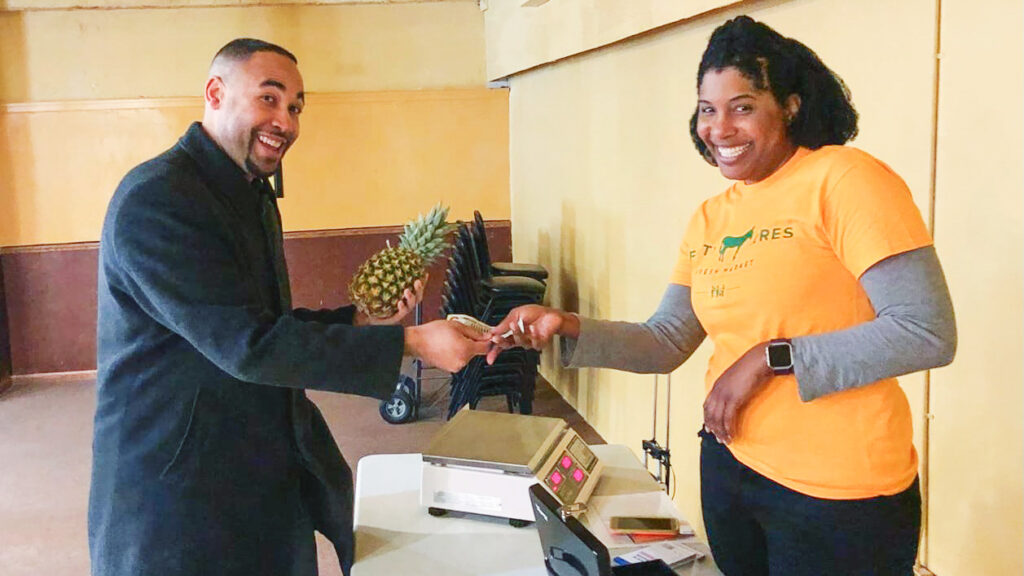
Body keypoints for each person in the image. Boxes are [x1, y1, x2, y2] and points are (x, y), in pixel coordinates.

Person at [489, 16, 956, 576]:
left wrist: (770, 358)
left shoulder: (846, 179)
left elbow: (925, 331)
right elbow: (665, 341)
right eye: (707, 110)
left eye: (742, 106)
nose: (720, 127)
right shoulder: (711, 217)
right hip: (731, 466)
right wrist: (564, 323)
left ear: (789, 105)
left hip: (838, 495)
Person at [89, 38, 491, 576]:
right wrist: (411, 342)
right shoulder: (159, 200)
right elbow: (248, 347)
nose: (287, 121)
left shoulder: (250, 194)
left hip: (255, 458)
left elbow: (264, 326)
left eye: (296, 107)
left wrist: (360, 319)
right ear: (215, 93)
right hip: (177, 481)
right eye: (269, 98)